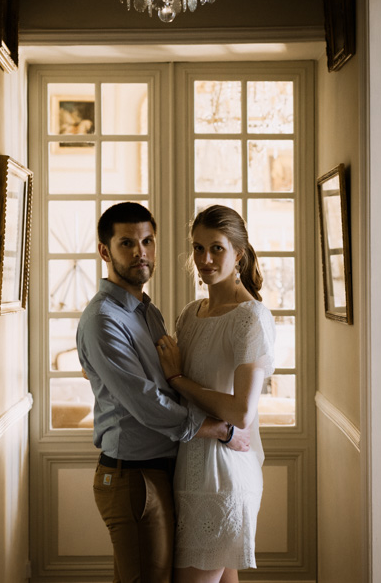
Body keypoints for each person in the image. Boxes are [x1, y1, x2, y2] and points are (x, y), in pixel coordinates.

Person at [77, 202, 251, 583]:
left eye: (147, 241)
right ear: (105, 252)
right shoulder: (104, 320)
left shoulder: (146, 311)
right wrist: (221, 430)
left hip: (166, 471)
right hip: (133, 478)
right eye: (127, 243)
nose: (140, 252)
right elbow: (148, 405)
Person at [155, 205, 276, 583]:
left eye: (217, 249)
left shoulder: (251, 317)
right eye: (197, 248)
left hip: (222, 476)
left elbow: (241, 412)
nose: (204, 259)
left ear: (238, 253)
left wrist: (177, 379)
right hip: (189, 468)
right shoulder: (190, 315)